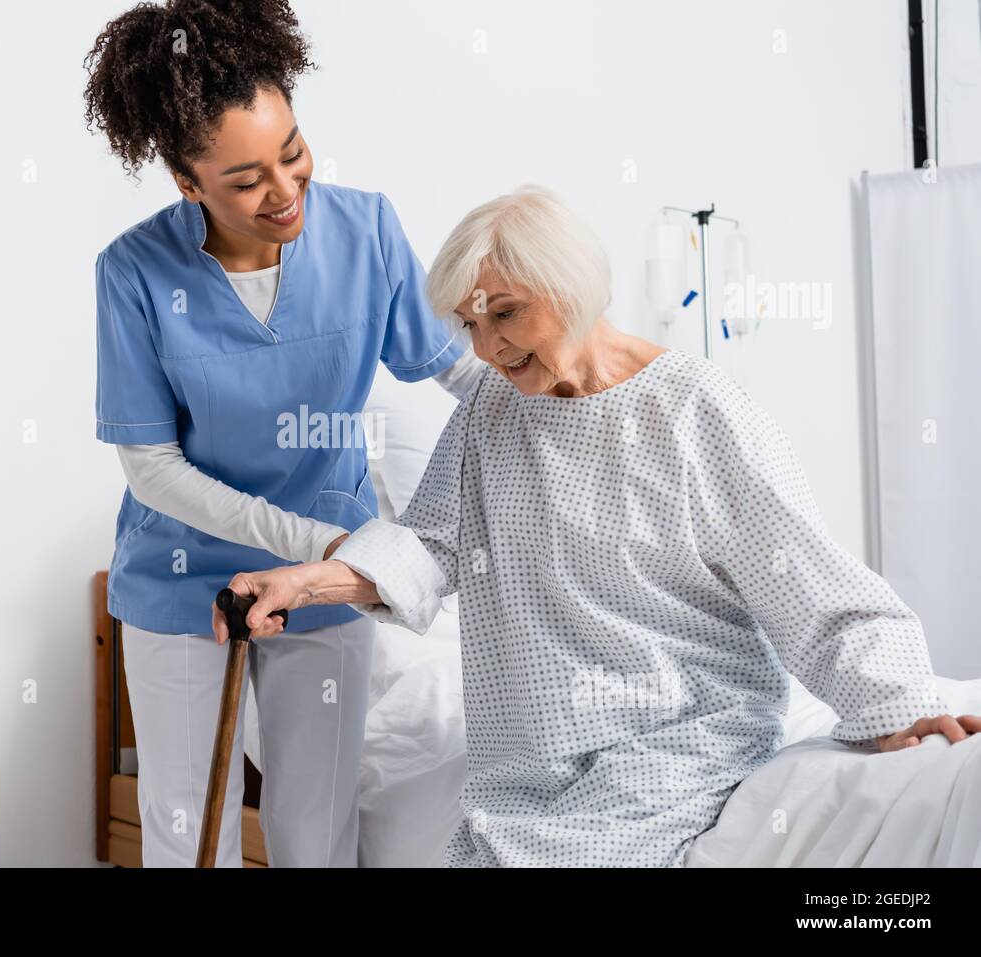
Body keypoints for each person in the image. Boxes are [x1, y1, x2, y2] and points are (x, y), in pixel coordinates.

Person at [211, 184, 981, 867]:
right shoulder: (490, 410)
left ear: (571, 289)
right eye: (471, 324)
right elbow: (430, 541)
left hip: (685, 731)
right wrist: (305, 579)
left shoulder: (695, 411)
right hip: (533, 755)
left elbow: (805, 574)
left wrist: (901, 702)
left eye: (505, 314)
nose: (488, 347)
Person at [84, 0, 483, 867]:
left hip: (329, 581)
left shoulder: (366, 231)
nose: (285, 190)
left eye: (293, 152)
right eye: (245, 180)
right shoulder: (135, 274)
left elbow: (466, 371)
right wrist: (321, 543)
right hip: (183, 576)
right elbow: (152, 468)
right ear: (188, 184)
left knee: (318, 831)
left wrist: (582, 398)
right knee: (191, 828)